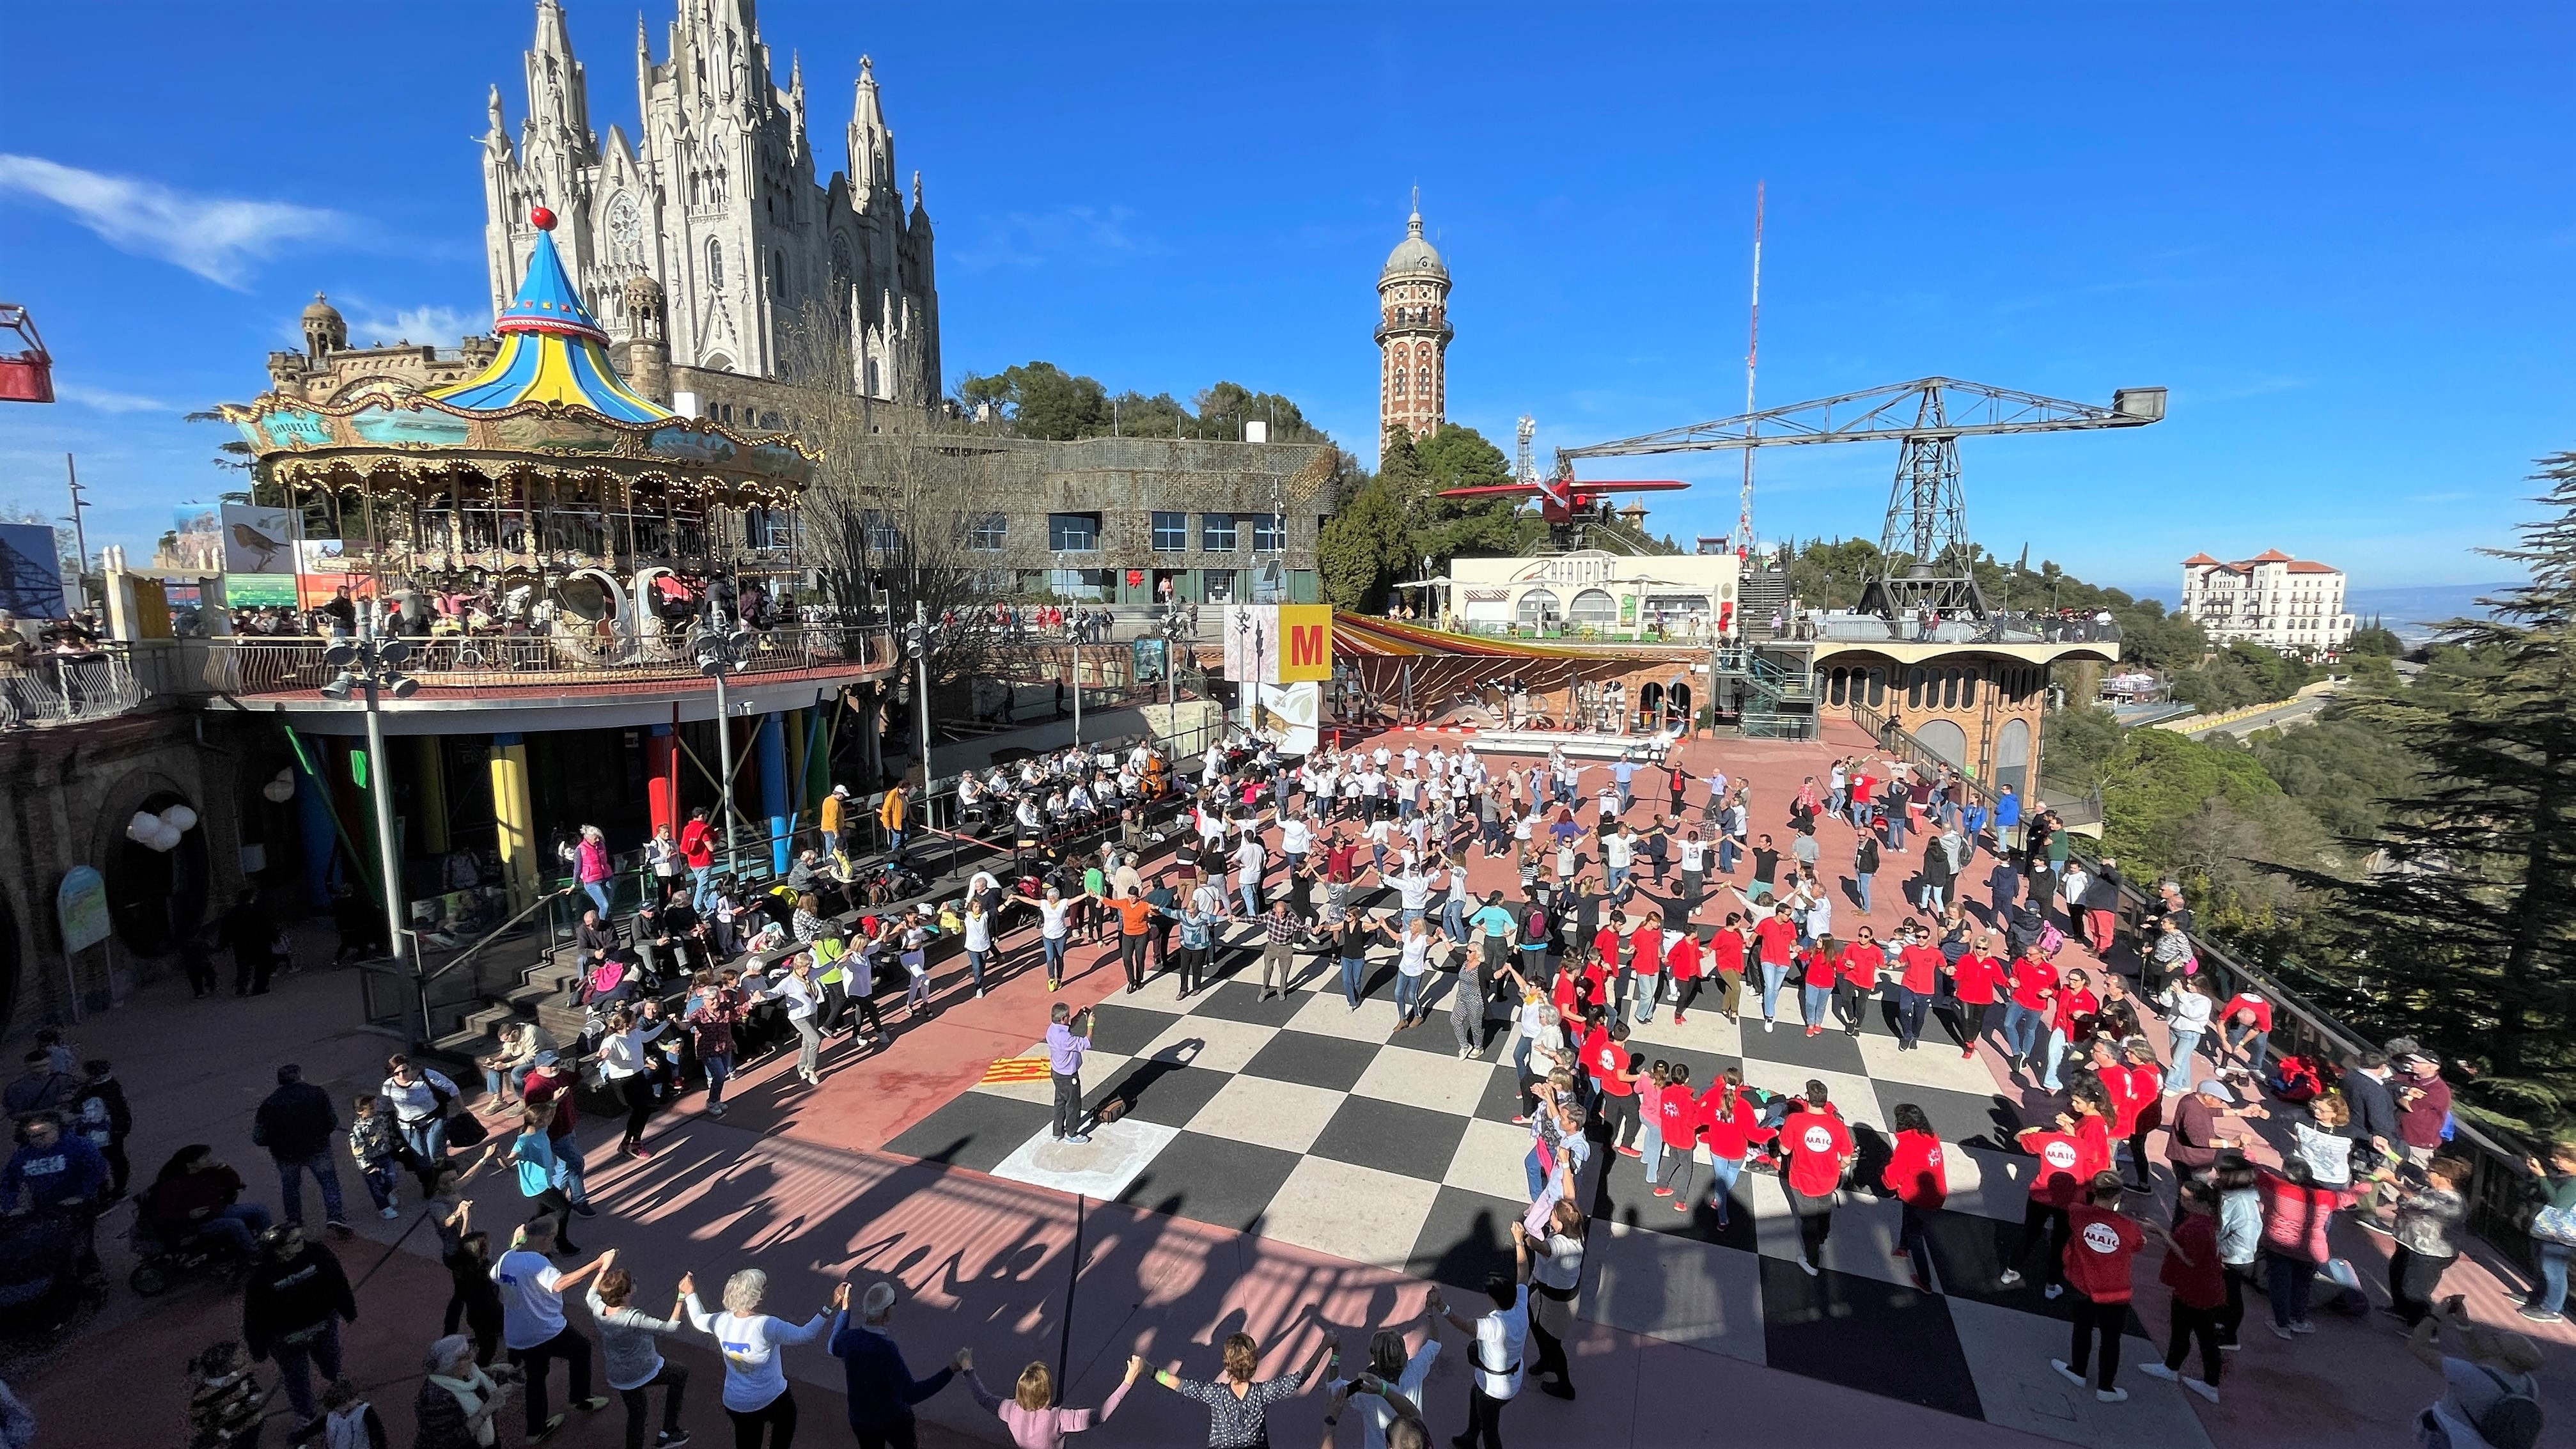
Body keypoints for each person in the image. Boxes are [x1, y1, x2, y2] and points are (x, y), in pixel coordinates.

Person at [683, 1267, 833, 1448]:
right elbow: (805, 1335)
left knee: (747, 1442)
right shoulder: (768, 1325)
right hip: (771, 1397)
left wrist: (690, 1293)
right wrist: (829, 1306)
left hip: (735, 1402)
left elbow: (699, 1319)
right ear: (758, 1296)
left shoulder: (721, 1321)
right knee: (786, 1422)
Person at [495, 1218, 614, 1439]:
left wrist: (514, 1245)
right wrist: (598, 1263)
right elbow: (559, 1284)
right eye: (553, 1236)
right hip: (546, 1329)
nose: (553, 1241)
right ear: (546, 1237)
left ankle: (535, 1430)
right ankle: (580, 1398)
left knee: (536, 1378)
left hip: (519, 1333)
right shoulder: (537, 1263)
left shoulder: (506, 1258)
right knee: (581, 1348)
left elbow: (495, 1274)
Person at [2052, 1171, 2161, 1404]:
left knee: (2082, 1329)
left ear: (2094, 1191)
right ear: (2119, 1196)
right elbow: (2138, 1245)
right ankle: (2106, 1387)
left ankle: (2078, 1371)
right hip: (2116, 1292)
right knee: (2111, 1339)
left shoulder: (2077, 1214)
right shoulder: (2127, 1226)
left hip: (2083, 1286)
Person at [243, 1224, 361, 1423]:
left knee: (332, 1362)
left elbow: (337, 1281)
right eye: (295, 1241)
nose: (303, 1243)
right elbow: (254, 1315)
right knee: (295, 1377)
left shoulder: (317, 1253)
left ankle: (340, 1391)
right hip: (285, 1337)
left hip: (322, 1325)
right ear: (280, 1250)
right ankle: (306, 1413)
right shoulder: (261, 1277)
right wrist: (258, 1348)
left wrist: (348, 1309)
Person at [1145, 1329, 1331, 1449]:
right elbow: (1299, 1379)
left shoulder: (1215, 1395)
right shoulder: (1263, 1394)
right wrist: (1324, 1346)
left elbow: (1180, 1385)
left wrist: (1150, 1370)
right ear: (1254, 1365)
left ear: (1227, 1365)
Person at [2404, 1296, 2547, 1449]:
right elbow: (2481, 1357)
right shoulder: (2529, 1385)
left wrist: (2434, 1316)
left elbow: (2417, 1346)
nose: (2490, 1338)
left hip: (2449, 1439)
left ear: (2501, 1354)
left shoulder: (2467, 1374)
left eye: (2495, 1339)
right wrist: (2464, 1325)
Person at [832, 1279, 958, 1449]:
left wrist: (845, 1308)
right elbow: (911, 1394)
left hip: (861, 1420)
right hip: (894, 1420)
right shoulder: (887, 1350)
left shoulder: (849, 1340)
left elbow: (833, 1346)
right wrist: (951, 1369)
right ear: (887, 1312)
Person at [1434, 1234, 1530, 1449]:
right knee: (1474, 1395)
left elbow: (1465, 1326)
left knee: (1491, 1431)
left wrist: (1441, 1306)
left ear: (1494, 1298)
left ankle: (1473, 1438)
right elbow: (1523, 1271)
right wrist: (1519, 1242)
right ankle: (1470, 1437)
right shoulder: (1521, 1306)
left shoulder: (1494, 1325)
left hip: (1495, 1388)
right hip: (1508, 1377)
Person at [2140, 1180, 2226, 1404]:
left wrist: (2161, 1232)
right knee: (2193, 1333)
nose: (2182, 1201)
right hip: (2200, 1288)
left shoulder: (2198, 1226)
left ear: (2199, 1202)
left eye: (2187, 1199)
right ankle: (2181, 1370)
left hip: (2196, 1290)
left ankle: (2203, 1380)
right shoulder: (2207, 1221)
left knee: (2197, 1335)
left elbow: (2189, 1259)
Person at [588, 1266, 691, 1449]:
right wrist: (681, 1296)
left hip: (618, 1375)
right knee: (680, 1374)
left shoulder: (598, 1308)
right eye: (632, 1283)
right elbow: (671, 1327)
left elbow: (591, 1292)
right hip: (644, 1369)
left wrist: (603, 1268)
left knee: (637, 1414)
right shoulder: (633, 1318)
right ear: (626, 1295)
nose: (635, 1282)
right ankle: (670, 1431)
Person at [2256, 1156, 2351, 1337]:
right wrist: (2372, 1180)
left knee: (2280, 1283)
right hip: (2310, 1250)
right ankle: (2297, 1319)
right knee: (2303, 1285)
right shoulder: (2326, 1197)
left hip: (2278, 1245)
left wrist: (2248, 1154)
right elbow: (2350, 1196)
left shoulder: (2277, 1187)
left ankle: (2281, 1324)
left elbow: (2258, 1172)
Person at [967, 1352, 1143, 1449]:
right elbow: (1100, 1416)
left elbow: (983, 1398)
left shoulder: (1009, 1410)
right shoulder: (1058, 1418)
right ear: (1047, 1394)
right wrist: (1127, 1381)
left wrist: (968, 1369)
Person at [255, 1063, 349, 1235]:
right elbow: (332, 1122)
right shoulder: (317, 1094)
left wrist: (276, 1143)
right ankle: (335, 1216)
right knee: (329, 1183)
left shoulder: (269, 1104)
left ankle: (294, 1220)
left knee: (290, 1187)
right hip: (317, 1147)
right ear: (300, 1076)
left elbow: (259, 1137)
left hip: (286, 1154)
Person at [141, 1144, 273, 1259]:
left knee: (259, 1208)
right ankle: (253, 1252)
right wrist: (189, 1214)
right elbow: (164, 1214)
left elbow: (234, 1183)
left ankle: (270, 1243)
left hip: (218, 1209)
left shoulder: (210, 1171)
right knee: (235, 1224)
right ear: (191, 1164)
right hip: (196, 1223)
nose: (210, 1159)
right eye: (205, 1157)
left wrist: (223, 1167)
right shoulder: (174, 1185)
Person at [1779, 1083, 1855, 1277]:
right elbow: (1847, 1160)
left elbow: (1785, 1150)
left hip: (1802, 1180)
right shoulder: (1837, 1126)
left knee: (1808, 1221)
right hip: (1829, 1179)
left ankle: (1812, 1262)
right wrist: (1834, 1168)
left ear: (1806, 1097)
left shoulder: (1795, 1120)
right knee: (1824, 1209)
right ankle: (1823, 1239)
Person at [2389, 1157, 2471, 1330]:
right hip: (2409, 1243)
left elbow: (2420, 1202)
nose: (2426, 1174)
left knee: (2416, 1292)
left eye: (2431, 1172)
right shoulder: (2432, 1188)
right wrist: (2390, 1153)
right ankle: (2402, 1310)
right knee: (2397, 1275)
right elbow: (2414, 1172)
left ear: (2446, 1179)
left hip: (2430, 1254)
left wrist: (2391, 1181)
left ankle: (2427, 1329)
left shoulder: (2453, 1202)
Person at [1882, 1103, 1948, 1291]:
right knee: (1907, 1215)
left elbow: (1893, 1175)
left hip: (1918, 1197)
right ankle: (1903, 1247)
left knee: (1916, 1235)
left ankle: (1925, 1280)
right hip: (1934, 1192)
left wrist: (1889, 1182)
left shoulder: (1908, 1145)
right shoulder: (1931, 1137)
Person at [1520, 1205, 1582, 1400]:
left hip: (1557, 1304)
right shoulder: (1574, 1234)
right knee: (1535, 1324)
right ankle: (1545, 1361)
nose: (1550, 1219)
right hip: (1544, 1293)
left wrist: (1522, 1238)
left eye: (1553, 1216)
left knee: (1553, 1344)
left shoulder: (1563, 1245)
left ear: (1562, 1224)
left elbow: (1543, 1248)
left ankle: (1565, 1386)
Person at [414, 1333, 515, 1449]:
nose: (472, 1358)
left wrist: (491, 1370)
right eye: (466, 1357)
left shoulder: (465, 1374)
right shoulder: (437, 1399)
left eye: (470, 1352)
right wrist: (489, 1407)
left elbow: (473, 1378)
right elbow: (453, 1440)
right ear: (451, 1365)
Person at [2522, 1138, 2576, 1323]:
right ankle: (2538, 1298)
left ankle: (2553, 1309)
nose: (2555, 1161)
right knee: (2544, 1267)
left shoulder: (2573, 1184)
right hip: (2553, 1231)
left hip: (2562, 1235)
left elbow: (2557, 1203)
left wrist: (2542, 1177)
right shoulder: (2566, 1178)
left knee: (2554, 1270)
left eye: (2559, 1158)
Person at [1046, 1003, 1094, 1145]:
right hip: (1068, 1076)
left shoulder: (1052, 1030)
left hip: (1057, 1073)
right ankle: (1071, 1133)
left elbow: (1068, 1027)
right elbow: (1086, 1043)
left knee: (1060, 1102)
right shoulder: (1065, 1039)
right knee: (1073, 1104)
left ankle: (1057, 1132)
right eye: (1068, 1016)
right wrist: (1090, 1024)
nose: (1069, 1018)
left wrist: (1079, 1015)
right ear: (1062, 1019)